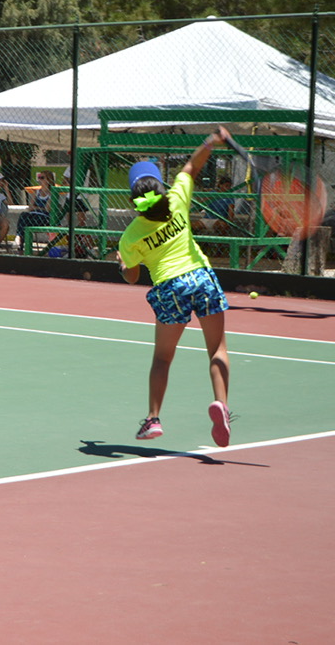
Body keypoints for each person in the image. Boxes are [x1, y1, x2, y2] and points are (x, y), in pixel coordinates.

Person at [115, 127, 235, 448]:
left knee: (163, 358)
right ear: (160, 185)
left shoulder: (131, 235)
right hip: (201, 278)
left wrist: (123, 265)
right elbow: (192, 166)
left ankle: (153, 419)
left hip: (169, 289)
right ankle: (221, 404)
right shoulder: (178, 198)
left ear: (134, 198)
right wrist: (211, 140)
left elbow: (132, 276)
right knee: (217, 349)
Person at [16, 171, 55, 249]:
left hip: (44, 217)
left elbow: (47, 209)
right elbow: (30, 207)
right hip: (33, 215)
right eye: (39, 177)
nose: (39, 180)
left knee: (26, 221)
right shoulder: (37, 192)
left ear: (48, 180)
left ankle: (19, 240)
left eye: (42, 178)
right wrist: (38, 208)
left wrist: (35, 207)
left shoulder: (51, 193)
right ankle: (19, 238)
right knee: (24, 215)